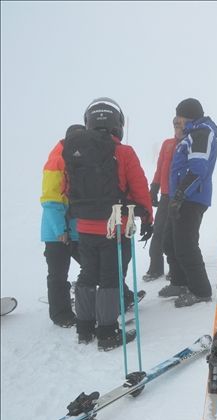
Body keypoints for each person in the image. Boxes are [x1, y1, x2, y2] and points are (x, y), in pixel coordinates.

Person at [65, 97, 153, 350]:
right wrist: (147, 217)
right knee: (111, 277)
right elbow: (139, 188)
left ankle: (84, 328)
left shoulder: (76, 150)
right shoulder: (124, 152)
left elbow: (66, 187)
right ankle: (106, 332)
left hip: (84, 226)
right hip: (115, 227)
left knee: (87, 272)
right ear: (117, 124)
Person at [158, 98, 217, 308]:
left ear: (189, 116)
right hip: (183, 197)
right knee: (169, 241)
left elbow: (198, 170)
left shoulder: (200, 134)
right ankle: (180, 282)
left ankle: (201, 291)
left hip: (192, 198)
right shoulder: (192, 134)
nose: (176, 121)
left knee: (185, 245)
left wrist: (180, 195)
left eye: (179, 117)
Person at [40, 124, 85, 328]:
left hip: (78, 229)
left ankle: (93, 300)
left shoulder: (82, 157)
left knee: (94, 265)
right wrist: (61, 230)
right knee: (58, 274)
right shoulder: (57, 160)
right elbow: (51, 200)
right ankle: (60, 314)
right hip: (57, 232)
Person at [142, 117, 185, 282]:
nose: (176, 127)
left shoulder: (189, 143)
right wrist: (154, 188)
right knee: (159, 231)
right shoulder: (168, 144)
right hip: (166, 195)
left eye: (180, 124)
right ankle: (155, 267)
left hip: (182, 196)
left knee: (176, 233)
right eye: (175, 124)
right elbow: (160, 167)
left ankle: (176, 269)